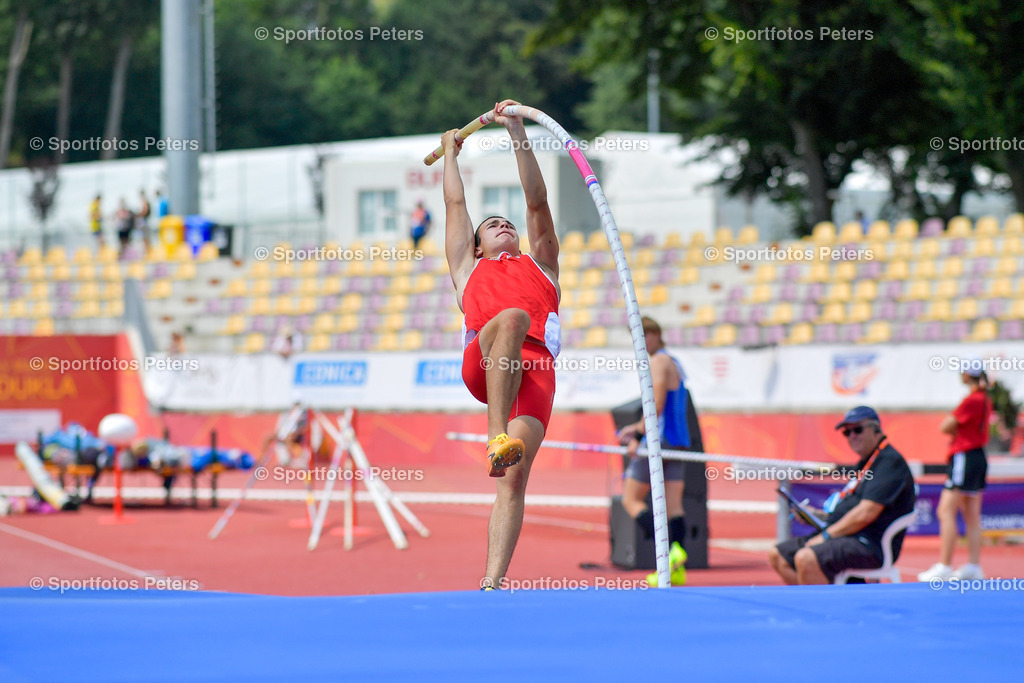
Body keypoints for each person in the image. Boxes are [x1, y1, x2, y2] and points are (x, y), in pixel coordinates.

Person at [442, 99, 560, 590]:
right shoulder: (468, 270)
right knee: (511, 317)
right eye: (491, 225)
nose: (503, 225)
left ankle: (492, 581)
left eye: (505, 223)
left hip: (535, 375)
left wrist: (517, 132)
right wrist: (451, 151)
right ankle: (495, 436)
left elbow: (536, 202)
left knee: (514, 479)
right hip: (486, 361)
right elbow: (455, 205)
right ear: (475, 246)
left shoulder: (543, 265)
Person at [768, 406, 917, 584]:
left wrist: (825, 536)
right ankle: (816, 601)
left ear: (876, 429)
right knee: (778, 555)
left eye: (857, 429)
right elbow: (851, 510)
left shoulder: (889, 462)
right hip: (848, 535)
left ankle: (824, 608)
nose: (852, 436)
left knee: (806, 558)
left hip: (869, 543)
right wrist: (816, 515)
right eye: (847, 432)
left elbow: (866, 513)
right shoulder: (867, 462)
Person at [616, 316, 690, 587]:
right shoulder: (673, 361)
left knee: (631, 500)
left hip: (660, 442)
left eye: (643, 336)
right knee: (674, 506)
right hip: (678, 441)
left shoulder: (659, 362)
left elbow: (655, 406)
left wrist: (636, 435)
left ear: (655, 334)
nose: (640, 343)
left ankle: (669, 554)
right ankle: (677, 566)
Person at [918, 363, 992, 581]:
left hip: (965, 456)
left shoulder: (972, 400)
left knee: (945, 511)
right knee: (971, 514)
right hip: (977, 456)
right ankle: (973, 565)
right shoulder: (985, 399)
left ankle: (945, 565)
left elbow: (946, 426)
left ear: (967, 374)